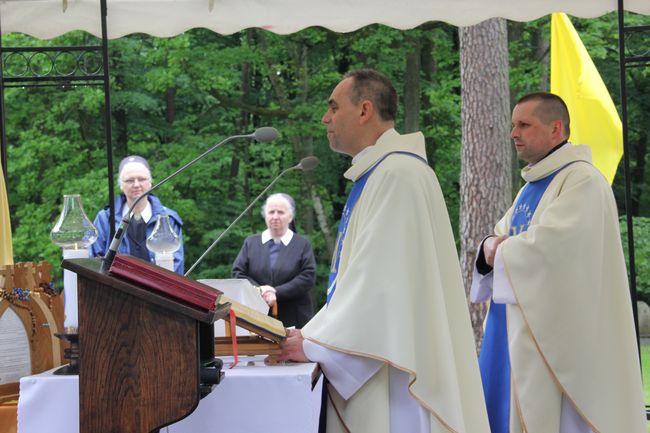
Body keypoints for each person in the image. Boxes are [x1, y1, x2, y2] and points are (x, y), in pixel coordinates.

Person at [272, 69, 489, 433]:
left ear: (364, 110)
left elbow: (378, 285)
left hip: (398, 375)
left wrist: (315, 344)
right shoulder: (381, 173)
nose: (325, 118)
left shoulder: (397, 175)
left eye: (333, 107)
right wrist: (314, 336)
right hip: (388, 354)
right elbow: (359, 281)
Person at [471, 92, 646, 433]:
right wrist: (492, 248)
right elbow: (500, 238)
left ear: (556, 129)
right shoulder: (531, 188)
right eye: (512, 125)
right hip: (515, 333)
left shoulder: (582, 181)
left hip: (560, 343)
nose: (513, 133)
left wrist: (499, 250)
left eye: (524, 124)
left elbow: (555, 252)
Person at [232, 192, 316, 328]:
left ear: (290, 217)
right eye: (271, 212)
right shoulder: (251, 243)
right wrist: (260, 290)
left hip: (295, 317)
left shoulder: (302, 245)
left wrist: (276, 292)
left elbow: (307, 277)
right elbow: (238, 273)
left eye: (281, 212)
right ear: (265, 215)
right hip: (256, 316)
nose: (275, 217)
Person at [90, 155, 185, 274]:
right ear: (121, 185)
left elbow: (176, 264)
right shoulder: (105, 218)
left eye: (141, 179)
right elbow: (94, 261)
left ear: (150, 183)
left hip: (157, 290)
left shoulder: (168, 218)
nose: (136, 184)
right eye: (129, 180)